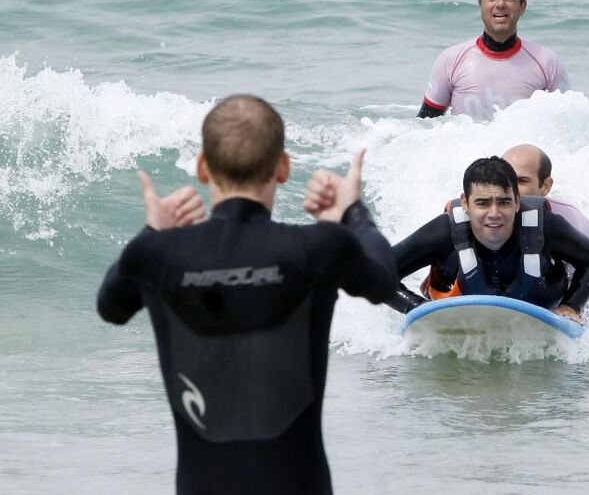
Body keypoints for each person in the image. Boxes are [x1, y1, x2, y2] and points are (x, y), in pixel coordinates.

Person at [97, 94, 398, 495]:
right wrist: (353, 215)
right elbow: (384, 281)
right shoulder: (320, 248)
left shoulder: (156, 256)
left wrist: (151, 231)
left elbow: (111, 307)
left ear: (203, 168)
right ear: (284, 167)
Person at [387, 157, 589, 322]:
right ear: (465, 203)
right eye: (482, 203)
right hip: (459, 309)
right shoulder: (443, 231)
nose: (494, 213)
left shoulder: (545, 226)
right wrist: (416, 309)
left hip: (539, 307)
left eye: (504, 202)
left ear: (518, 201)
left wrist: (573, 305)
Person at [417, 0, 571, 121]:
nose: (500, 4)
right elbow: (424, 126)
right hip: (467, 145)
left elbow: (566, 126)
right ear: (481, 4)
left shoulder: (547, 62)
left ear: (522, 6)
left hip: (523, 145)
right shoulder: (451, 59)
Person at [502, 143, 589, 245]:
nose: (509, 189)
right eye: (503, 179)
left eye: (521, 181)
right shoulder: (485, 218)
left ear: (545, 186)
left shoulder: (575, 226)